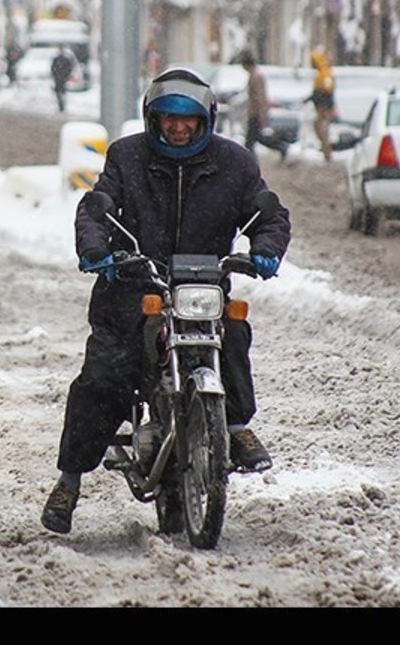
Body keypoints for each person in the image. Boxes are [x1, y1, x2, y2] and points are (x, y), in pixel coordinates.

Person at [40, 67, 292, 535]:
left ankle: (234, 428)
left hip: (203, 290)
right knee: (104, 377)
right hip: (132, 292)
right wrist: (97, 249)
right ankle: (68, 481)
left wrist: (265, 250)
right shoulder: (127, 157)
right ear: (152, 118)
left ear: (206, 120)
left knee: (233, 333)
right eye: (168, 118)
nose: (178, 127)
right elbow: (98, 206)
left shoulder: (235, 163)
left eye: (188, 119)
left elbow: (268, 212)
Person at [235, 49, 289, 161]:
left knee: (251, 141)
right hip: (254, 112)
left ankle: (251, 162)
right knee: (256, 139)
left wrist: (262, 115)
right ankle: (280, 148)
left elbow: (260, 98)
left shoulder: (256, 76)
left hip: (255, 113)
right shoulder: (254, 75)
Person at [307, 48, 337, 162]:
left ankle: (327, 150)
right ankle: (326, 150)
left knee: (322, 129)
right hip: (322, 107)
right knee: (320, 128)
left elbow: (326, 92)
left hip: (323, 108)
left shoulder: (325, 74)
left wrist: (324, 106)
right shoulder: (322, 73)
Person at [50, 46, 74, 113]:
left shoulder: (57, 59)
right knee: (62, 92)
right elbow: (69, 68)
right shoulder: (64, 59)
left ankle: (61, 104)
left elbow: (53, 68)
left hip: (59, 78)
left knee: (59, 92)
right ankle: (62, 105)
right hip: (62, 78)